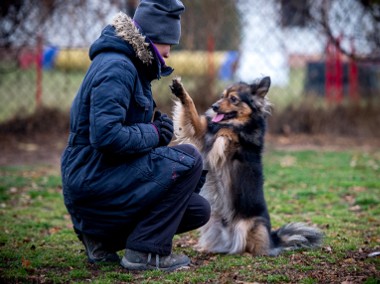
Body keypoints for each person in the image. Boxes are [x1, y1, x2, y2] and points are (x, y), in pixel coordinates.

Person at [61, 0, 210, 272]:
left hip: (102, 178)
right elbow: (107, 136)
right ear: (154, 37)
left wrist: (157, 123)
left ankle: (102, 239)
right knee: (190, 159)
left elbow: (126, 122)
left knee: (197, 209)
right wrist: (154, 133)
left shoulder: (131, 66)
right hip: (93, 178)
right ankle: (143, 252)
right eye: (169, 45)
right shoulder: (117, 67)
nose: (169, 54)